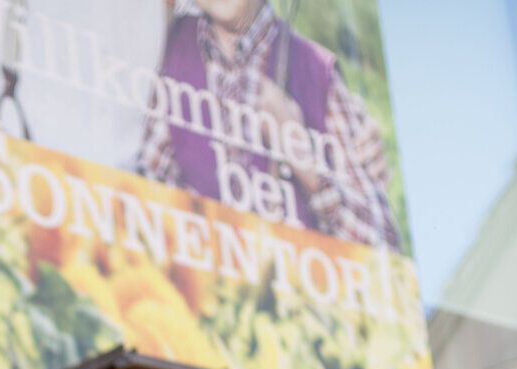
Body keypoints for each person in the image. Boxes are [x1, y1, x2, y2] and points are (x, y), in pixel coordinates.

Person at [136, 0, 401, 248]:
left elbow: (383, 250)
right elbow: (149, 192)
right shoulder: (175, 47)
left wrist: (305, 161)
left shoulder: (317, 73)